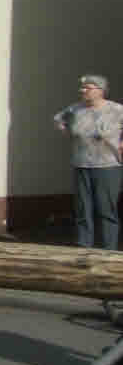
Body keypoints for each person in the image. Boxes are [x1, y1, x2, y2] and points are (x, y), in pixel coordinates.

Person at [53, 74, 123, 249]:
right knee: (83, 208)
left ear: (100, 90)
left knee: (106, 209)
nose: (82, 90)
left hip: (107, 165)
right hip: (81, 164)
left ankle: (109, 249)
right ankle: (84, 245)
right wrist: (67, 131)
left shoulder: (116, 109)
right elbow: (58, 119)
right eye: (82, 87)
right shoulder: (75, 109)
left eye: (88, 88)